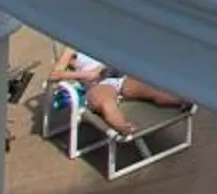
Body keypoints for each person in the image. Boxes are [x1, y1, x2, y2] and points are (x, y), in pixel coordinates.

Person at [51, 48, 190, 137]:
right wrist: (86, 74)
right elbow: (54, 75)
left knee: (152, 89)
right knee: (106, 102)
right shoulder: (71, 47)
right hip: (98, 85)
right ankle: (123, 127)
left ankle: (182, 101)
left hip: (119, 78)